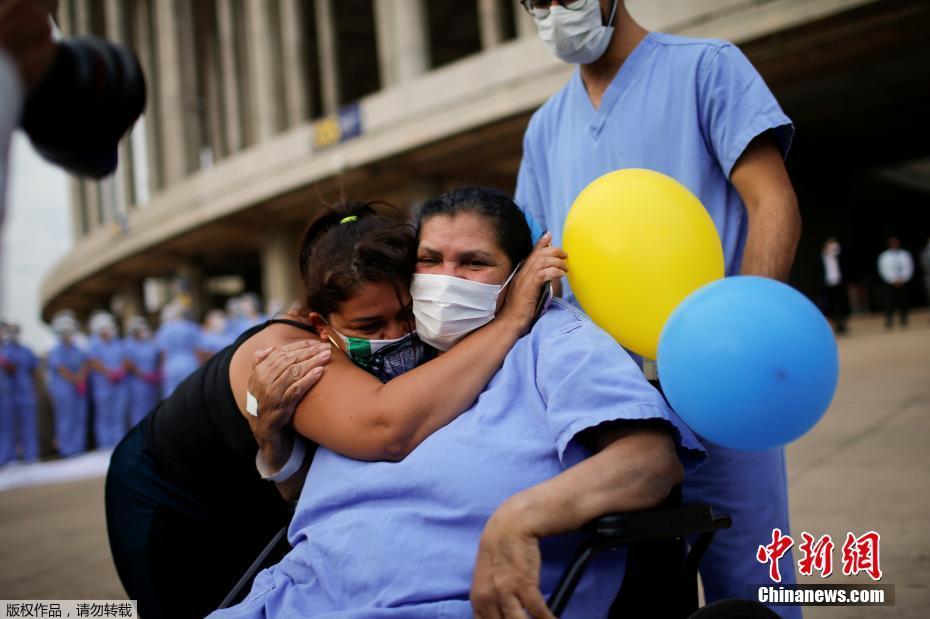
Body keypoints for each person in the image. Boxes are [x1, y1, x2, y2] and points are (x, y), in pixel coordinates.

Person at [210, 188, 705, 619]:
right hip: (291, 597)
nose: (446, 282)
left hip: (420, 603)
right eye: (429, 261)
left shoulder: (554, 339)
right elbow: (324, 491)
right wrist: (270, 443)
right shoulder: (386, 352)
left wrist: (520, 518)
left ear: (519, 271)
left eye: (473, 262)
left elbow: (649, 460)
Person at [105, 202, 559, 619]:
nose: (397, 334)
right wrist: (509, 321)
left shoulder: (394, 315)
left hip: (265, 499)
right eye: (369, 326)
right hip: (170, 499)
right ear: (322, 326)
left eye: (408, 315)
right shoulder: (289, 354)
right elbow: (388, 428)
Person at [513, 1, 802, 613]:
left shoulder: (707, 69)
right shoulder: (544, 128)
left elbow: (772, 200)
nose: (550, 13)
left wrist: (746, 335)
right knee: (635, 594)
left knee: (756, 588)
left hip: (720, 379)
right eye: (534, 3)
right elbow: (541, 264)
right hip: (612, 410)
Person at [46, 311, 89, 457]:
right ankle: (67, 449)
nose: (68, 334)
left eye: (70, 331)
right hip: (63, 388)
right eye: (65, 332)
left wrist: (81, 378)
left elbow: (84, 363)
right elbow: (61, 368)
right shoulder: (56, 350)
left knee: (79, 416)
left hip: (77, 388)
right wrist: (76, 379)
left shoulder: (77, 348)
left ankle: (78, 447)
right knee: (66, 418)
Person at [87, 311, 129, 448]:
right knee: (104, 415)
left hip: (119, 384)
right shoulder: (94, 344)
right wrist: (108, 373)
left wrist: (121, 371)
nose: (109, 330)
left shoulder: (117, 343)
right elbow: (94, 361)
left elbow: (125, 359)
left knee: (118, 413)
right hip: (103, 385)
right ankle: (104, 443)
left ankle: (118, 441)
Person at [0, 322, 39, 462]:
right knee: (5, 428)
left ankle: (31, 455)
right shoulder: (4, 350)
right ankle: (7, 457)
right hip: (7, 396)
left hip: (24, 393)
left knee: (28, 426)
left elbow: (32, 370)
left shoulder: (25, 350)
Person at [153, 301, 201, 397]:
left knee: (171, 397)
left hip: (171, 367)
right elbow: (198, 349)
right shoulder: (190, 327)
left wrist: (162, 369)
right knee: (192, 395)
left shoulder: (163, 330)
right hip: (190, 364)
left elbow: (163, 353)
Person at [123, 317, 161, 428]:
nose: (143, 333)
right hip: (137, 383)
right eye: (140, 330)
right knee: (138, 410)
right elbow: (128, 363)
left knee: (152, 408)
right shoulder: (129, 344)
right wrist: (143, 375)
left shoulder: (150, 344)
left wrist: (157, 373)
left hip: (151, 383)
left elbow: (158, 357)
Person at [877, 237, 913, 328]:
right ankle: (889, 319)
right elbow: (882, 269)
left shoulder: (905, 254)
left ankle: (904, 319)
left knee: (904, 301)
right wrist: (893, 279)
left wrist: (902, 278)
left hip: (903, 281)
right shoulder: (884, 256)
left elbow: (909, 267)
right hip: (890, 282)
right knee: (889, 301)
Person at [821, 238, 849, 334]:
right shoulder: (822, 257)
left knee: (842, 304)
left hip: (839, 283)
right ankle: (835, 326)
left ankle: (842, 324)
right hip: (828, 284)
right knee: (831, 306)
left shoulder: (840, 257)